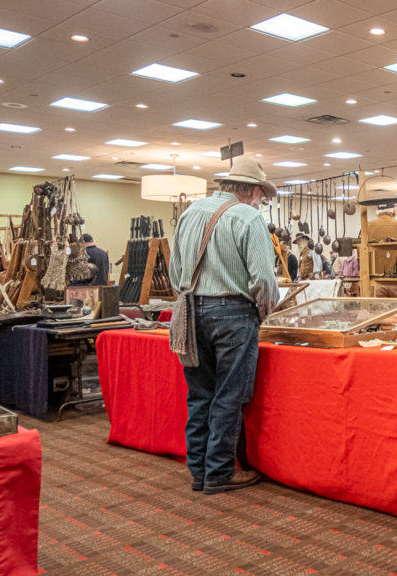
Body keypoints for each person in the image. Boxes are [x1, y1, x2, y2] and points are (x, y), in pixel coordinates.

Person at [168, 156, 278, 494]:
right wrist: (266, 313)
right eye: (263, 195)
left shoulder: (189, 214)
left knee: (200, 394)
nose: (263, 201)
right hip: (234, 313)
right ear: (253, 190)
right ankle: (219, 471)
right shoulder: (249, 217)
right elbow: (263, 280)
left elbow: (174, 272)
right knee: (229, 395)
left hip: (189, 311)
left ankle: (199, 470)